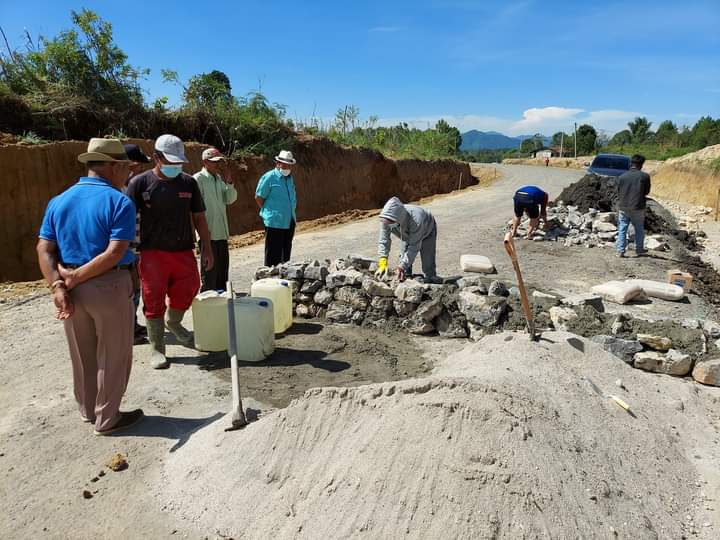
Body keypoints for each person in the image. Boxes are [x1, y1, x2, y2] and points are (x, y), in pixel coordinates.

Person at [36, 137, 144, 435]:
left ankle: (87, 409)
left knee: (82, 352)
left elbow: (44, 249)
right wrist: (77, 277)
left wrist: (60, 285)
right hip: (108, 286)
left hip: (71, 289)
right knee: (114, 353)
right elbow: (115, 252)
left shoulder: (58, 201)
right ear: (112, 167)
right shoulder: (119, 201)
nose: (127, 173)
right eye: (125, 167)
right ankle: (108, 418)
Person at [126, 134, 214, 369]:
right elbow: (127, 220)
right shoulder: (140, 184)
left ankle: (173, 321)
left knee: (189, 288)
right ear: (156, 157)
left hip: (183, 249)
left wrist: (207, 248)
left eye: (178, 163)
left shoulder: (188, 183)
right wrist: (129, 252)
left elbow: (199, 218)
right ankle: (157, 348)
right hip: (151, 252)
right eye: (170, 162)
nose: (175, 167)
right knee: (153, 298)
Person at [193, 147, 237, 291]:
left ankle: (222, 305)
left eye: (219, 161)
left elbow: (230, 199)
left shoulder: (218, 180)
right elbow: (195, 210)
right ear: (205, 162)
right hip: (208, 234)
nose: (218, 164)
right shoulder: (198, 179)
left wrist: (229, 180)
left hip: (222, 234)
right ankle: (207, 306)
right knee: (209, 274)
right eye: (214, 161)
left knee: (222, 274)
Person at [374, 196, 441, 284]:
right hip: (405, 233)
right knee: (403, 258)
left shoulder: (417, 220)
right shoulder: (386, 219)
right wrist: (383, 260)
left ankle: (431, 279)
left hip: (427, 230)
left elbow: (414, 247)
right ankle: (405, 278)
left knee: (427, 261)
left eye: (390, 222)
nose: (388, 224)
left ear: (398, 218)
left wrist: (401, 266)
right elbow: (383, 240)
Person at [123, 143, 151, 344]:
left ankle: (132, 323)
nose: (142, 170)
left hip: (136, 245)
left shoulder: (133, 186)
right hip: (125, 248)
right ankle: (127, 330)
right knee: (128, 289)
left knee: (136, 288)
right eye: (139, 166)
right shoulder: (120, 189)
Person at [255, 150, 297, 267]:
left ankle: (283, 279)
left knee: (285, 254)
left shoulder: (290, 179)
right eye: (284, 164)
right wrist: (270, 213)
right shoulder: (269, 177)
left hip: (289, 221)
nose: (287, 167)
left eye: (289, 165)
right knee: (273, 256)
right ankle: (270, 279)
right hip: (274, 223)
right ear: (278, 163)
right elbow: (259, 197)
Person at [616, 154, 651, 258]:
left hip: (624, 206)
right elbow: (647, 192)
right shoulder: (645, 176)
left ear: (631, 163)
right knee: (639, 228)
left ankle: (620, 251)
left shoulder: (622, 176)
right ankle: (639, 250)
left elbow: (619, 191)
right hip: (638, 206)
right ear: (641, 164)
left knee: (622, 228)